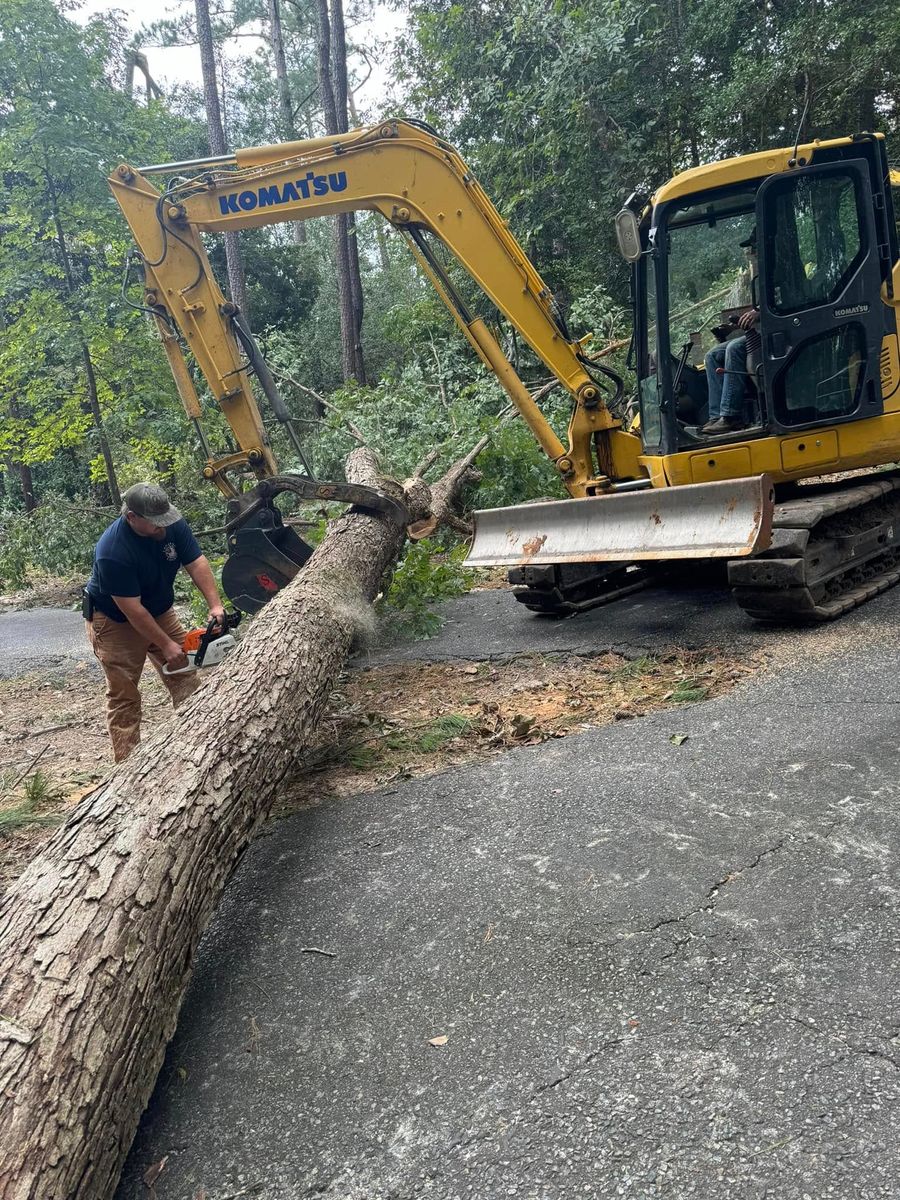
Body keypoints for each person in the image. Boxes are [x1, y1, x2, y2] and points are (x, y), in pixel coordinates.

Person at [84, 482, 225, 761]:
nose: (163, 527)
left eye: (165, 521)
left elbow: (196, 562)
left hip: (159, 609)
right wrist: (165, 644)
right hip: (115, 622)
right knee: (125, 694)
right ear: (132, 517)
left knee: (185, 674)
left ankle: (198, 749)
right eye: (155, 524)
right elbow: (133, 611)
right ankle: (128, 768)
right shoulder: (112, 550)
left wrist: (215, 604)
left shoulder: (170, 523)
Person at [702, 229, 760, 435]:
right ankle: (716, 415)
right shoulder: (760, 273)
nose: (751, 251)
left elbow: (781, 303)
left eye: (754, 246)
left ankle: (730, 415)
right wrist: (738, 324)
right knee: (712, 355)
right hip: (759, 330)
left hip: (778, 330)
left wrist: (758, 313)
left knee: (734, 349)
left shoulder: (783, 267)